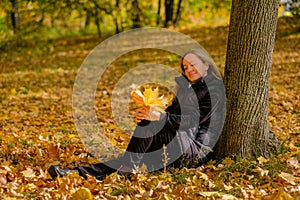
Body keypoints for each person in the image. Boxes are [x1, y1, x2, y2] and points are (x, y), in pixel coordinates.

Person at [48, 48, 226, 180]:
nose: (189, 70)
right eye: (185, 67)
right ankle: (74, 173)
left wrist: (158, 118)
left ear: (206, 64)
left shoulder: (214, 88)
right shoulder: (187, 88)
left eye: (193, 65)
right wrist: (151, 113)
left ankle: (125, 169)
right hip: (176, 144)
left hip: (195, 151)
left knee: (142, 139)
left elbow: (194, 120)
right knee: (130, 155)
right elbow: (170, 116)